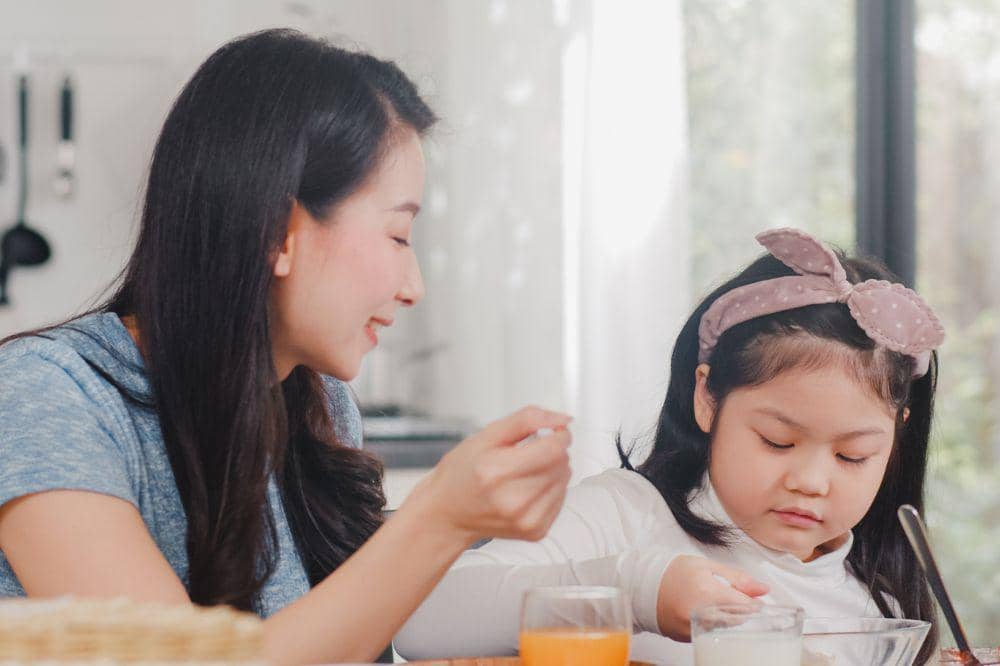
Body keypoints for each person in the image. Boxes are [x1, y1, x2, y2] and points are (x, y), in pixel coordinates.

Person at [0, 29, 572, 665]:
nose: (414, 288)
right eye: (398, 235)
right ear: (280, 231)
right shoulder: (46, 395)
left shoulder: (319, 401)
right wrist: (440, 518)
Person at [396, 227, 944, 666]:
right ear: (707, 396)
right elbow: (419, 617)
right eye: (777, 441)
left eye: (853, 456)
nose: (811, 480)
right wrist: (636, 589)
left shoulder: (883, 612)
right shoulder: (624, 516)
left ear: (896, 435)